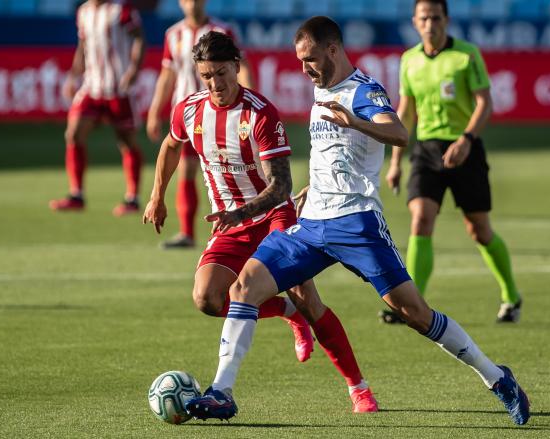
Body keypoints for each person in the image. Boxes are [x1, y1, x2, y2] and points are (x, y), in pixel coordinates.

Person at [185, 17, 530, 426]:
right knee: (243, 287)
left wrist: (356, 122)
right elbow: (330, 152)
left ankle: (496, 377)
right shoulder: (320, 89)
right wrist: (313, 187)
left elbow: (399, 133)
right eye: (299, 61)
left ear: (333, 50)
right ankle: (221, 392)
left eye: (311, 58)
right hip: (311, 224)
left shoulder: (363, 92)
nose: (305, 68)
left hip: (358, 225)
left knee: (415, 314)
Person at [143, 31, 379, 414]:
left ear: (236, 67)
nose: (216, 84)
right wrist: (157, 195)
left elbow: (280, 185)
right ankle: (286, 313)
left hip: (272, 215)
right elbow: (171, 144)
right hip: (230, 224)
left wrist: (241, 212)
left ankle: (359, 387)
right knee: (207, 299)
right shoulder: (189, 110)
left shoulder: (260, 114)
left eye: (222, 73)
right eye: (207, 76)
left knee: (306, 296)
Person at [383, 0, 522, 323]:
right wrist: (395, 161)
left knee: (479, 230)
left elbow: (484, 102)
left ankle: (511, 296)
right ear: (415, 22)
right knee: (421, 219)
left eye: (435, 17)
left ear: (445, 19)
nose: (429, 23)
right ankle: (412, 304)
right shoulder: (409, 60)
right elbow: (406, 111)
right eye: (423, 18)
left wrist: (466, 140)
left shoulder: (466, 55)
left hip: (465, 149)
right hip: (427, 150)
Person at [146, 0, 254, 249]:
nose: (191, 3)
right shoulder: (173, 34)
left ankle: (245, 226)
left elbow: (242, 66)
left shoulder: (223, 31)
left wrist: (247, 102)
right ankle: (188, 232)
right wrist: (154, 111)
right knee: (186, 169)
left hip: (222, 113)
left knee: (233, 170)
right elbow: (167, 75)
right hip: (189, 116)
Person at [50, 0, 146, 216]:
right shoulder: (83, 12)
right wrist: (73, 76)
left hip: (118, 88)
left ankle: (133, 198)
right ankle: (77, 195)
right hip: (91, 87)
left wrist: (133, 70)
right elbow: (83, 46)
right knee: (73, 133)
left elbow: (139, 38)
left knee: (127, 142)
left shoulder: (121, 11)